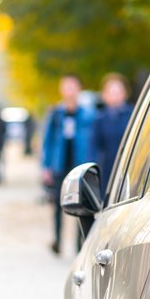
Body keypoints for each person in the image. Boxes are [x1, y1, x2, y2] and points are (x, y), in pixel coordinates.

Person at [41, 74, 95, 255]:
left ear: (78, 88)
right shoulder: (56, 114)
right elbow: (47, 141)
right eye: (65, 87)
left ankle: (80, 245)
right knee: (57, 204)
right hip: (60, 165)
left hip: (80, 166)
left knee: (82, 205)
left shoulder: (88, 114)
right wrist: (46, 166)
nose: (69, 90)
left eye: (72, 86)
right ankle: (57, 240)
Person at [92, 73, 133, 187]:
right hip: (108, 169)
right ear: (104, 95)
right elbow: (95, 147)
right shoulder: (100, 119)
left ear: (125, 93)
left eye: (118, 92)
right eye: (111, 92)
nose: (115, 96)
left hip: (129, 167)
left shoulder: (133, 115)